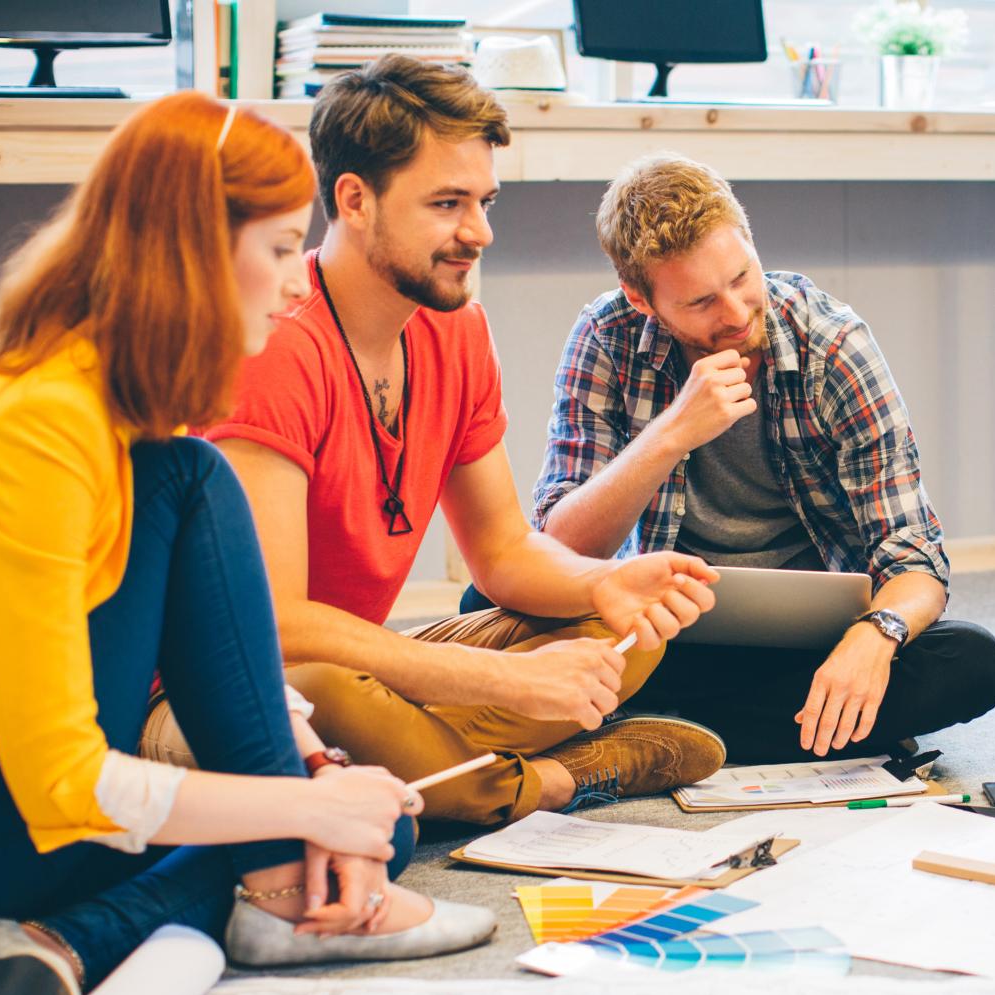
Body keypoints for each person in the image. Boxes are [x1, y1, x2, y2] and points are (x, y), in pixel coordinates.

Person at [0, 93, 492, 995]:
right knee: (315, 833)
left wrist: (318, 776)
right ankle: (205, 906)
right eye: (284, 248)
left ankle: (82, 936)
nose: (298, 286)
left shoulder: (113, 403)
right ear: (195, 251)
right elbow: (62, 781)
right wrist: (302, 806)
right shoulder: (35, 421)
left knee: (365, 829)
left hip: (12, 814)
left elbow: (207, 653)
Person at [159, 58, 728, 825]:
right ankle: (551, 782)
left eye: (485, 201)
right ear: (354, 201)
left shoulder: (457, 328)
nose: (480, 233)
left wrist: (601, 585)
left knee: (621, 633)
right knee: (324, 689)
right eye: (447, 203)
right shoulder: (277, 345)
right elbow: (275, 623)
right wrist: (492, 682)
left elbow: (501, 554)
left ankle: (419, 768)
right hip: (229, 683)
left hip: (366, 668)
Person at [484, 151, 995, 762]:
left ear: (752, 245)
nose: (735, 315)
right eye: (701, 303)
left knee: (971, 661)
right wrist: (671, 432)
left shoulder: (832, 346)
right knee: (493, 603)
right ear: (641, 299)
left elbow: (914, 557)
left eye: (741, 278)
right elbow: (562, 548)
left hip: (808, 642)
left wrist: (875, 635)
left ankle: (650, 733)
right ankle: (766, 731)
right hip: (658, 630)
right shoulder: (607, 337)